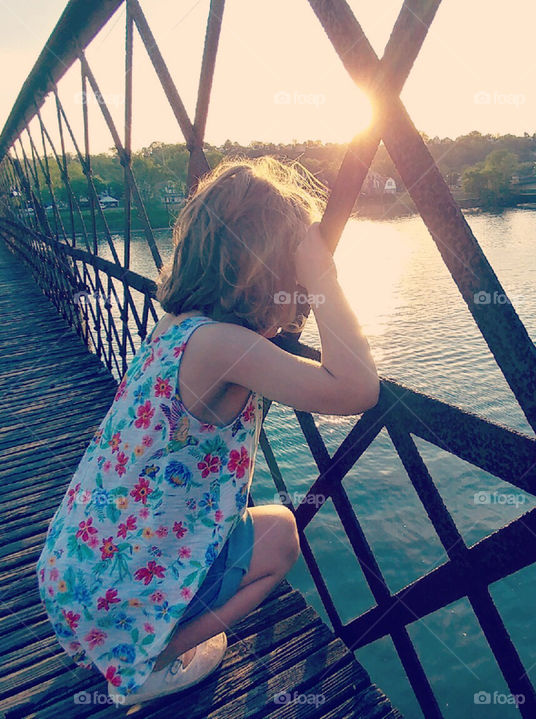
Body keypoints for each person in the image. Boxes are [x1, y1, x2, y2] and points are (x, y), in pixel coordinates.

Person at [34, 157, 380, 705]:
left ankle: (133, 638)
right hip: (113, 609)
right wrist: (323, 276)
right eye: (291, 269)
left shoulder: (174, 326)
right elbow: (357, 389)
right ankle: (150, 661)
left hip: (71, 578)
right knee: (282, 534)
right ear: (264, 271)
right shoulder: (227, 347)